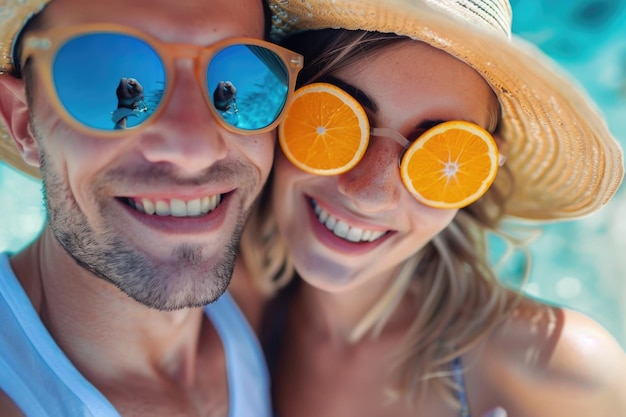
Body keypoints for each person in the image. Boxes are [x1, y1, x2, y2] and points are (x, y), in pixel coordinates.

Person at [238, 0, 626, 416]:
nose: (371, 192)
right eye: (334, 119)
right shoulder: (228, 318)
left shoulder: (558, 369)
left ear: (483, 172)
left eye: (440, 150)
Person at [0, 0, 302, 415]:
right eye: (109, 75)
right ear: (24, 123)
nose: (193, 150)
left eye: (238, 74)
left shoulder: (267, 308)